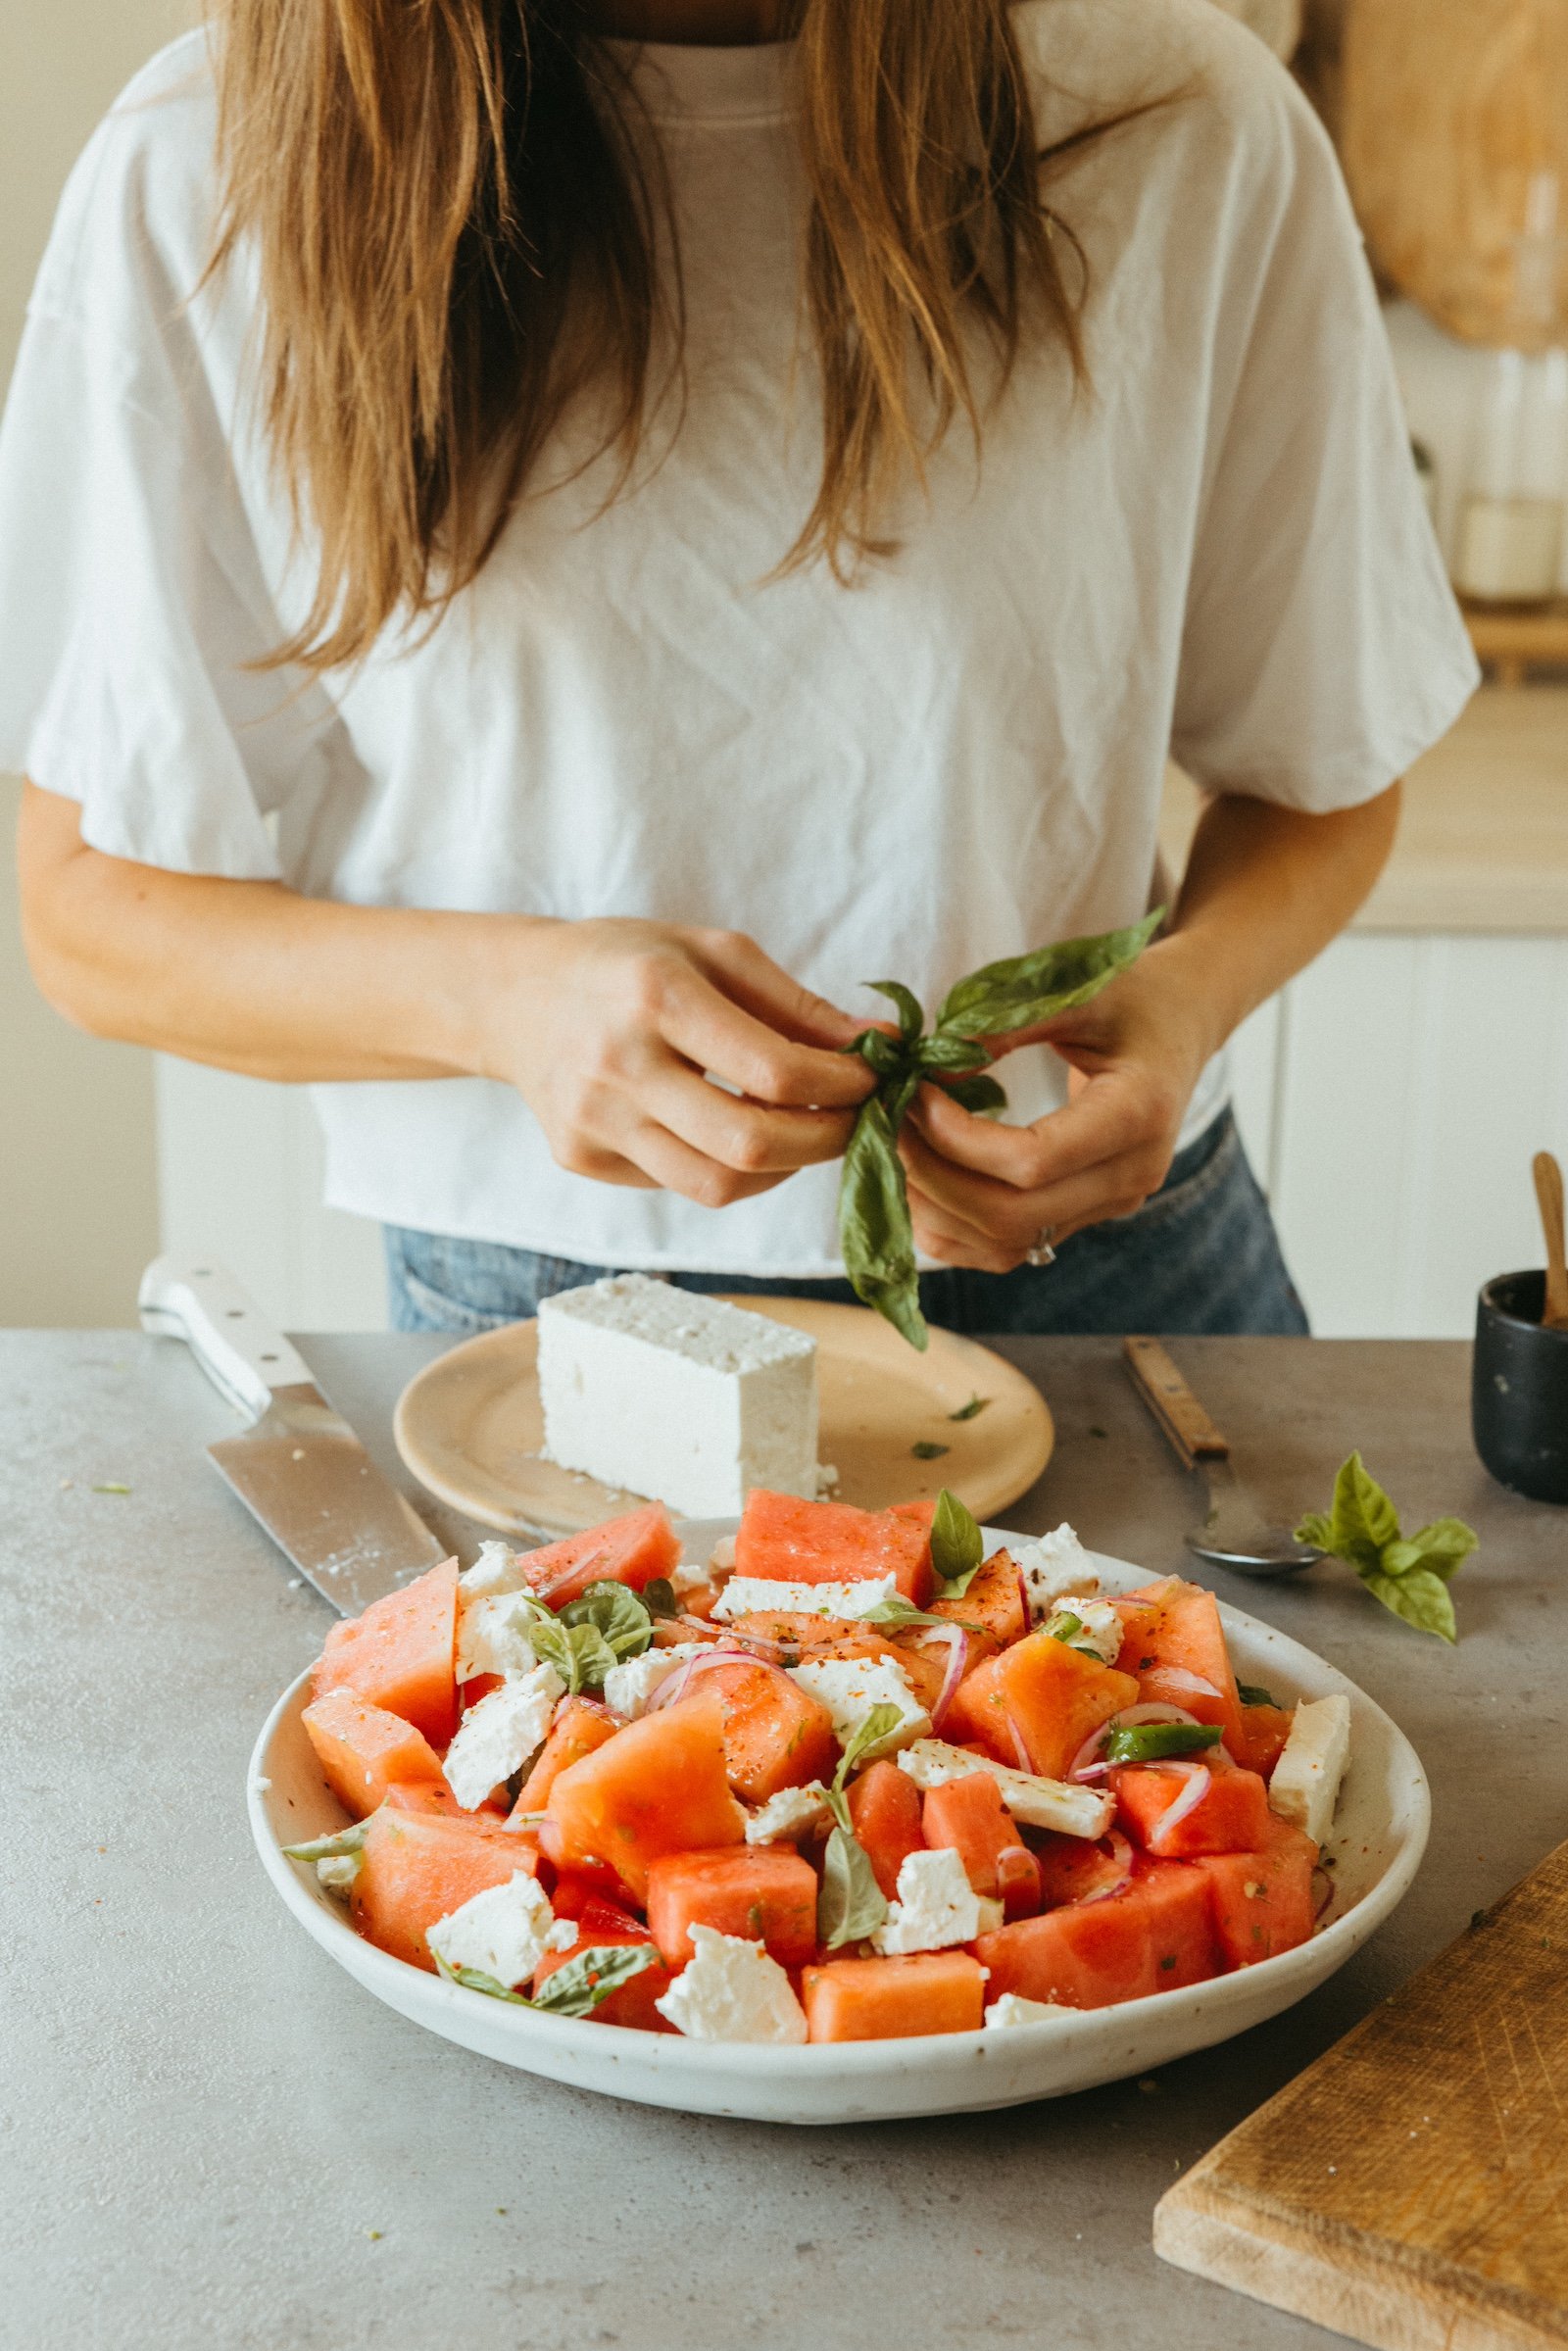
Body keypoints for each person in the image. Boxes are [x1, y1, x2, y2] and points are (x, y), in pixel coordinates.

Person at [4, 0, 1476, 1341]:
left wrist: (1184, 1003)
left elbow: (1324, 778)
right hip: (544, 1313)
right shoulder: (210, 169)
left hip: (1116, 1274)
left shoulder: (1184, 120)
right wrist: (504, 1007)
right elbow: (89, 912)